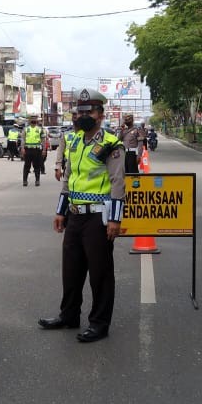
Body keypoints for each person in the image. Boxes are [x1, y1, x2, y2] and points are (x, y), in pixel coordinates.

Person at [38, 88, 125, 343]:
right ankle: (69, 315)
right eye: (80, 112)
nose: (83, 116)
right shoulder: (74, 141)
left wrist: (115, 219)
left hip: (98, 218)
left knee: (100, 273)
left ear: (100, 115)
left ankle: (99, 323)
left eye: (89, 112)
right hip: (75, 216)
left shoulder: (111, 144)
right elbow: (68, 178)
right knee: (71, 270)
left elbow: (117, 183)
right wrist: (60, 211)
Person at [19, 115, 48, 187]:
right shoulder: (26, 129)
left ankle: (37, 180)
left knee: (37, 166)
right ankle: (25, 181)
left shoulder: (40, 129)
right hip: (28, 149)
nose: (33, 120)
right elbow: (23, 139)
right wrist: (22, 148)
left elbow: (43, 140)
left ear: (37, 120)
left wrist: (44, 150)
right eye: (32, 119)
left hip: (37, 150)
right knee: (27, 166)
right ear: (29, 120)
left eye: (35, 119)